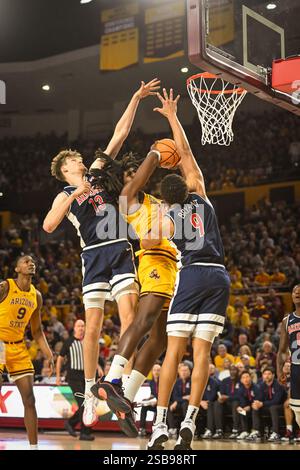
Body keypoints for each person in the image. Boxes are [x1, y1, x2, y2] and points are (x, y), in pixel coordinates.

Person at [43, 79, 160, 426]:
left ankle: (117, 383)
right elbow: (49, 225)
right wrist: (74, 192)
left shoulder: (95, 174)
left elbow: (119, 135)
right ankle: (91, 395)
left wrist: (136, 97)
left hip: (120, 248)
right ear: (66, 168)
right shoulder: (64, 192)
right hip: (93, 255)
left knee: (130, 319)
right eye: (76, 158)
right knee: (92, 328)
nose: (82, 158)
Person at [142, 88, 230, 450]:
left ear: (166, 196)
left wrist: (159, 215)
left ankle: (161, 425)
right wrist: (173, 116)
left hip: (191, 276)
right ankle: (191, 420)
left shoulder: (167, 216)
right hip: (219, 277)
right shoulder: (201, 193)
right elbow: (188, 155)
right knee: (202, 355)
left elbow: (147, 242)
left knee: (173, 352)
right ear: (187, 186)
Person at [90, 144, 178, 437]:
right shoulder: (127, 198)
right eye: (132, 174)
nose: (137, 176)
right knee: (143, 322)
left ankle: (125, 393)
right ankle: (112, 379)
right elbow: (143, 174)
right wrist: (155, 152)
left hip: (168, 266)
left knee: (158, 339)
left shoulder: (150, 199)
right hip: (153, 262)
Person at [0, 255, 54, 449]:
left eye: (33, 261)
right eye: (25, 261)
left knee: (30, 399)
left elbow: (37, 331)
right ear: (16, 269)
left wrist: (49, 355)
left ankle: (34, 447)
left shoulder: (36, 296)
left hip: (18, 346)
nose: (31, 263)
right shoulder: (5, 287)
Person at [56, 319, 94, 441]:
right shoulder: (69, 342)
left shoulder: (87, 341)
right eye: (79, 326)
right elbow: (60, 359)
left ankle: (85, 432)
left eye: (83, 326)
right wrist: (57, 376)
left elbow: (91, 357)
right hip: (73, 377)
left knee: (88, 404)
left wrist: (97, 367)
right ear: (74, 328)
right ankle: (74, 426)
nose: (81, 328)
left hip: (85, 376)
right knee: (83, 403)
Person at [277, 285, 300, 434]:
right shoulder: (287, 320)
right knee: (297, 410)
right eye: (295, 291)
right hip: (296, 368)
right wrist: (279, 370)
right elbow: (281, 351)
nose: (297, 293)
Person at [247, 367, 286, 442]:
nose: (266, 376)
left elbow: (276, 401)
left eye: (269, 374)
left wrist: (262, 403)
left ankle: (275, 432)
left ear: (273, 375)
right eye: (265, 374)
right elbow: (259, 398)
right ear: (262, 376)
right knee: (255, 407)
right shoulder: (261, 385)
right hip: (267, 406)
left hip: (280, 407)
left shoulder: (278, 385)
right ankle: (256, 431)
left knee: (273, 407)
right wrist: (257, 403)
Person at [213, 364, 241, 439]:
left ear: (237, 371)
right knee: (217, 403)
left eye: (234, 370)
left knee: (236, 403)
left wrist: (228, 397)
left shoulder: (241, 380)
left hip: (238, 404)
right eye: (231, 370)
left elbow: (240, 396)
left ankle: (235, 430)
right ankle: (219, 430)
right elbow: (222, 392)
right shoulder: (225, 380)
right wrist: (221, 398)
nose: (233, 372)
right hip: (227, 404)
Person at [138, 363, 161, 437]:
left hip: (162, 404)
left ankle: (158, 429)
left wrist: (157, 400)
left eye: (158, 370)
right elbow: (153, 394)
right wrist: (147, 399)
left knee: (159, 409)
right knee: (144, 407)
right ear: (152, 372)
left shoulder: (163, 381)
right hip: (154, 403)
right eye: (154, 370)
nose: (156, 372)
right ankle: (142, 428)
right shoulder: (151, 382)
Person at [236, 371, 260, 440]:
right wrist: (241, 407)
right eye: (243, 378)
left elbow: (258, 400)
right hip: (248, 409)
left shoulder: (256, 387)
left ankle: (256, 431)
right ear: (241, 380)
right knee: (240, 410)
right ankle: (244, 431)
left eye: (247, 377)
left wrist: (249, 406)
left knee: (254, 407)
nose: (246, 379)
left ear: (251, 378)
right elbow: (242, 402)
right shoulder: (240, 390)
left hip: (258, 408)